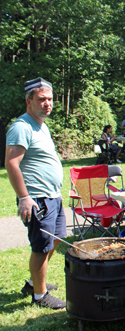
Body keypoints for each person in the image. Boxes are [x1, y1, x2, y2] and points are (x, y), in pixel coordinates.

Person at [5, 77, 66, 309]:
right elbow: (11, 163)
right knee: (41, 246)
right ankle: (40, 296)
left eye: (50, 99)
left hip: (52, 196)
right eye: (41, 99)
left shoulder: (41, 124)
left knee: (55, 240)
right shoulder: (21, 127)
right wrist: (24, 197)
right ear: (28, 101)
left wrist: (56, 192)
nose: (47, 104)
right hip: (37, 198)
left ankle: (34, 282)